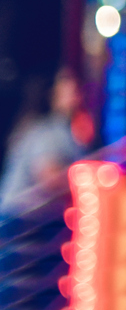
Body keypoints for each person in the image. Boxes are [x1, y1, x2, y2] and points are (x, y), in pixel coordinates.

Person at [1, 69, 85, 213]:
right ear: (53, 94)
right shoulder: (48, 131)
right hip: (19, 224)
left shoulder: (54, 127)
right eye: (71, 89)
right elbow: (50, 179)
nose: (78, 94)